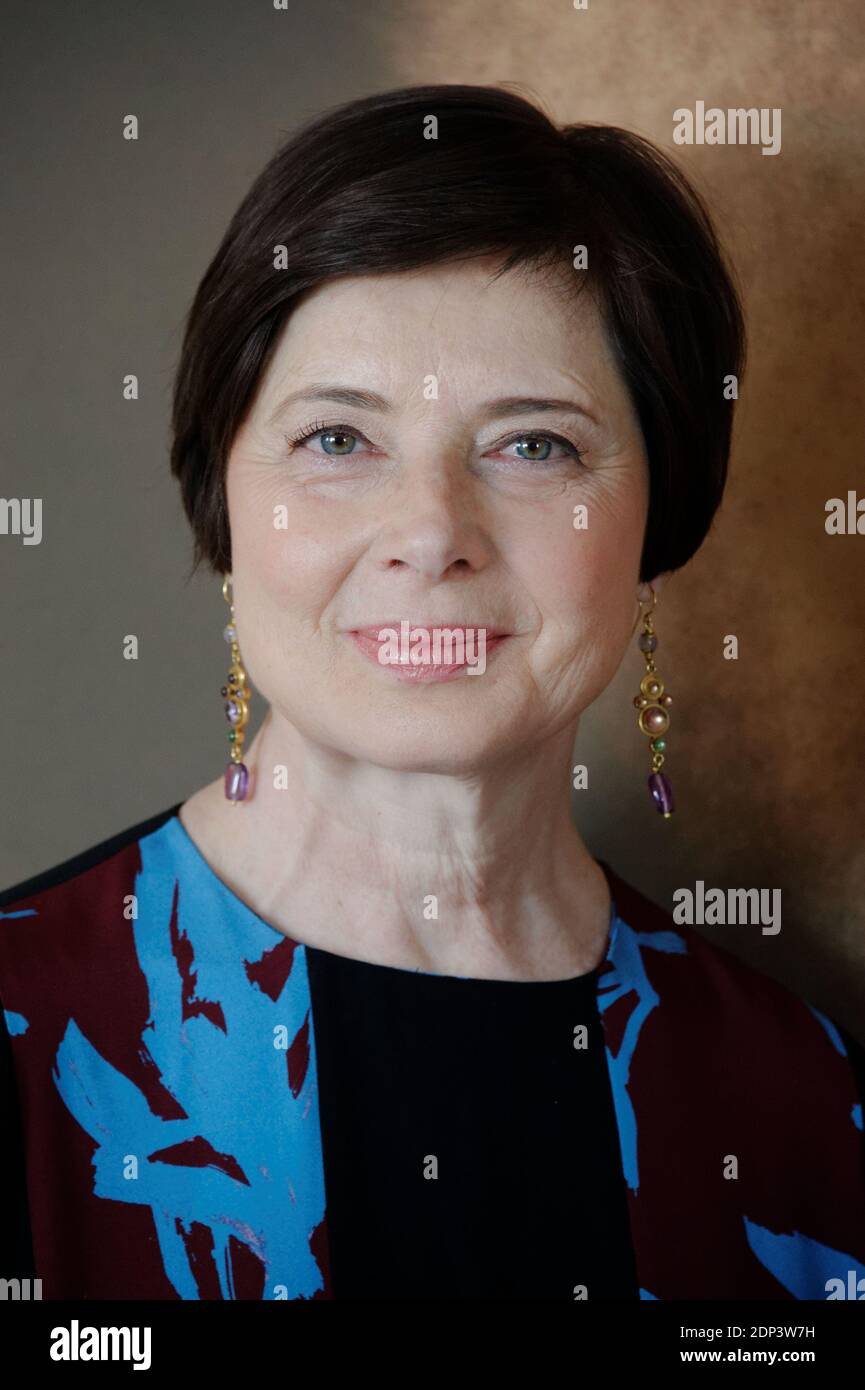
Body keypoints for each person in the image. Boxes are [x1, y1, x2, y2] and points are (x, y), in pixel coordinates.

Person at [2, 84, 864, 1302]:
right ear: (225, 502)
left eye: (534, 444)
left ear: (653, 519)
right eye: (339, 440)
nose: (430, 533)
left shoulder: (808, 1103)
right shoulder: (21, 1036)